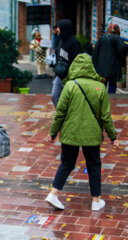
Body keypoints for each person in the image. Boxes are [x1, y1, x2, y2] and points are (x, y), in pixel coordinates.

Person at [45, 53, 119, 212]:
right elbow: (105, 116)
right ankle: (95, 201)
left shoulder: (70, 85)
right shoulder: (99, 87)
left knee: (66, 163)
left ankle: (53, 194)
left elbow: (60, 113)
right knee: (94, 165)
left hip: (70, 133)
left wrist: (52, 133)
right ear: (91, 67)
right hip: (91, 134)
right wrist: (113, 137)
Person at [51, 19, 82, 108]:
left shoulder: (74, 43)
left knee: (69, 100)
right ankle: (61, 115)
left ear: (64, 28)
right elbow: (58, 55)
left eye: (59, 28)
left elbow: (77, 60)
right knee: (55, 96)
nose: (57, 29)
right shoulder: (61, 40)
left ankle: (68, 117)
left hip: (69, 77)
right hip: (59, 75)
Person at [92, 24, 128, 93]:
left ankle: (100, 100)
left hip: (101, 68)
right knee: (112, 85)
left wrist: (95, 66)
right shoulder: (117, 38)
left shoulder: (102, 38)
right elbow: (122, 49)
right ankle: (111, 101)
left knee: (101, 86)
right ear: (118, 31)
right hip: (112, 68)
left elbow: (95, 53)